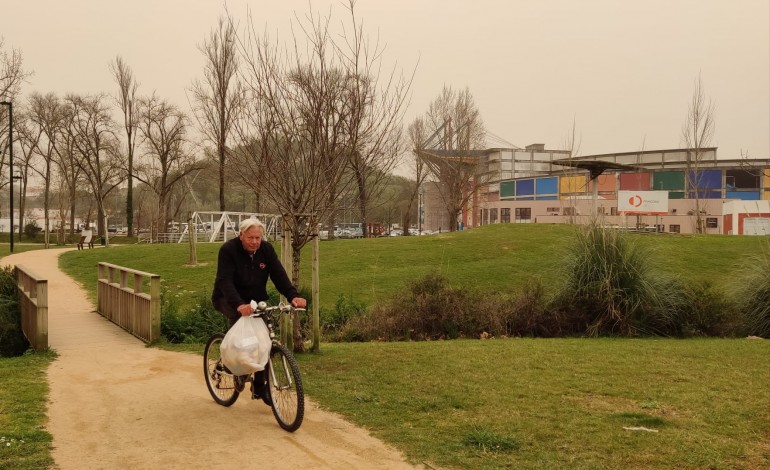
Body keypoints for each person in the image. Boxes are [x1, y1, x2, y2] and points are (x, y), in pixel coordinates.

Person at [211, 218, 307, 403]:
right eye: (250, 237)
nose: (255, 241)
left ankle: (260, 387)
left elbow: (279, 275)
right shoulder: (228, 250)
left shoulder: (266, 250)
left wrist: (292, 296)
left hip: (256, 300)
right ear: (241, 235)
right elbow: (225, 281)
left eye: (258, 238)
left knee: (264, 341)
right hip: (228, 298)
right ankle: (233, 366)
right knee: (242, 338)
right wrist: (239, 304)